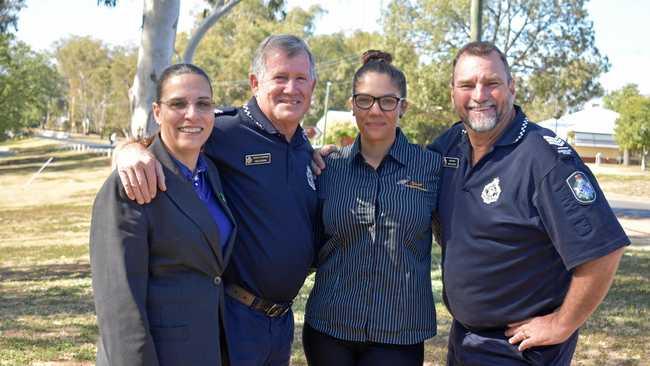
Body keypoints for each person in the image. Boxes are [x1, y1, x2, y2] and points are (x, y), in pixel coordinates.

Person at [113, 35, 319, 366]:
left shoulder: (303, 148)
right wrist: (128, 151)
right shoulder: (223, 130)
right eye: (280, 77)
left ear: (313, 85)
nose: (291, 88)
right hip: (233, 318)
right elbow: (164, 142)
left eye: (300, 79)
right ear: (255, 82)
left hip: (281, 324)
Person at [429, 41, 629, 365]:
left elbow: (603, 250)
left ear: (512, 87)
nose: (479, 95)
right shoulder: (448, 147)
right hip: (464, 337)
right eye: (467, 85)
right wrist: (327, 159)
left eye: (491, 83)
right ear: (453, 92)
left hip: (518, 348)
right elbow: (400, 169)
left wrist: (561, 323)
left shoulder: (545, 157)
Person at [89, 63, 237, 366]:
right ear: (157, 112)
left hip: (208, 350)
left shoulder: (211, 174)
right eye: (178, 104)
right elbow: (119, 305)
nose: (192, 114)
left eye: (203, 104)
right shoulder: (130, 184)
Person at [302, 50, 441, 366]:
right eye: (364, 100)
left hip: (399, 334)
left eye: (387, 101)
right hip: (329, 328)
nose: (375, 110)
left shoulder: (432, 169)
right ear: (352, 105)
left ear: (402, 106)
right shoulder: (327, 169)